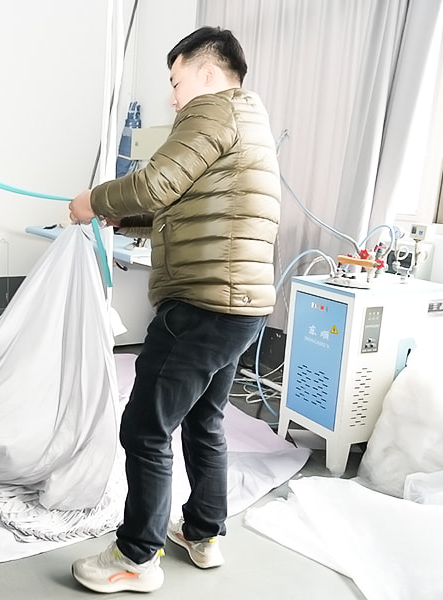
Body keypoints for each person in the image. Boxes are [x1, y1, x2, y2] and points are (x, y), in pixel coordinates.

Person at [68, 27, 281, 593]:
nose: (172, 96)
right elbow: (186, 204)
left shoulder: (212, 110)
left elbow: (157, 183)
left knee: (144, 427)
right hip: (241, 307)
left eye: (176, 80)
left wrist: (92, 201)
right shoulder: (248, 119)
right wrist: (125, 217)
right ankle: (204, 534)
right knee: (205, 419)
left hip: (201, 305)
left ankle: (136, 556)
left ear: (207, 73)